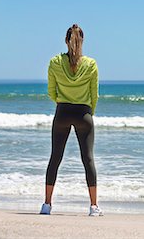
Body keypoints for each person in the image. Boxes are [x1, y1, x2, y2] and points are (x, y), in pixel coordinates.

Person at [40, 24, 102, 216]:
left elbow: (51, 92)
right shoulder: (91, 64)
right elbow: (95, 95)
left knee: (55, 158)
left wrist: (62, 103)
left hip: (62, 112)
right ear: (82, 41)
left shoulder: (55, 62)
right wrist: (88, 113)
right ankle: (93, 207)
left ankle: (47, 206)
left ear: (66, 41)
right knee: (88, 159)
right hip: (83, 113)